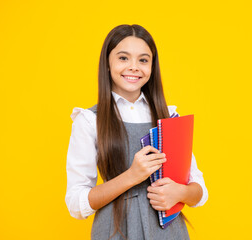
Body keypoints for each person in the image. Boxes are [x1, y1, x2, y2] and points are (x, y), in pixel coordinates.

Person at [65, 24, 208, 240]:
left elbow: (199, 191)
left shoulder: (168, 116)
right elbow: (76, 204)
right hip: (115, 231)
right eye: (123, 58)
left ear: (152, 66)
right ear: (107, 63)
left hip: (168, 233)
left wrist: (180, 193)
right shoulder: (89, 121)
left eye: (143, 60)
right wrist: (131, 176)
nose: (134, 67)